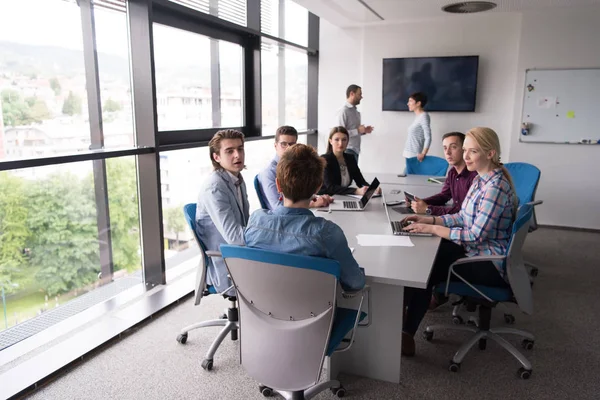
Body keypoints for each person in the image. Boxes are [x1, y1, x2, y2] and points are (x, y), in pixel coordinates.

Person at [400, 127, 518, 357]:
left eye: (471, 151)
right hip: (474, 251)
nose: (465, 156)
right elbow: (462, 217)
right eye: (465, 150)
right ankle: (402, 322)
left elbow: (475, 234)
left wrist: (433, 228)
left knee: (426, 267)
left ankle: (405, 330)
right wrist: (429, 218)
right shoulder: (481, 180)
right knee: (423, 253)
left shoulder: (495, 187)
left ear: (490, 153)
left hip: (488, 262)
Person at [245, 144, 366, 292]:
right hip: (315, 314)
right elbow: (355, 283)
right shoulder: (328, 234)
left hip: (261, 309)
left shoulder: (255, 221)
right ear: (318, 187)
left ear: (278, 185)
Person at [196, 129, 249, 295]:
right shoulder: (215, 188)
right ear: (216, 157)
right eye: (230, 151)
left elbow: (244, 224)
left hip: (240, 256)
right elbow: (235, 238)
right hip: (226, 265)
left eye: (240, 149)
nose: (237, 155)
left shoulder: (237, 179)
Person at [256, 125, 333, 210]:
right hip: (281, 219)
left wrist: (318, 198)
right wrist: (313, 204)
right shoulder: (269, 172)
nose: (288, 148)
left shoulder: (296, 166)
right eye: (283, 144)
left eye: (292, 144)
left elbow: (299, 194)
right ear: (275, 146)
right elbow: (278, 207)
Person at [408, 132, 478, 216]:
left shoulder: (474, 177)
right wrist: (419, 203)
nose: (448, 152)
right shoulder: (452, 172)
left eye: (453, 147)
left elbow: (462, 212)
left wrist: (427, 209)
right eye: (445, 148)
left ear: (464, 149)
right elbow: (444, 196)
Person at [320, 126, 381, 196]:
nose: (340, 143)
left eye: (344, 140)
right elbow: (331, 187)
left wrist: (372, 188)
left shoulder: (350, 158)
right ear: (330, 141)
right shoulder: (325, 160)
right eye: (337, 139)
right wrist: (356, 191)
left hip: (342, 196)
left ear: (348, 141)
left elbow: (360, 181)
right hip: (326, 198)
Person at [337, 84, 373, 163]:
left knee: (353, 175)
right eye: (359, 94)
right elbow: (340, 134)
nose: (361, 97)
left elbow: (355, 131)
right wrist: (358, 130)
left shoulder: (355, 112)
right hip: (348, 149)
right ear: (352, 94)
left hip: (355, 150)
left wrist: (364, 131)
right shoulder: (343, 111)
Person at [403, 92, 432, 166]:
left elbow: (428, 137)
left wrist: (423, 153)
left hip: (414, 155)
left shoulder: (424, 116)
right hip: (409, 154)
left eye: (410, 101)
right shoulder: (418, 117)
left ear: (418, 103)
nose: (408, 103)